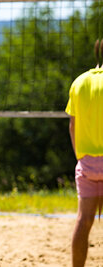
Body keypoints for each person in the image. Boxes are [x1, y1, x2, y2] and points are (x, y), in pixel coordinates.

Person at [65, 64, 103, 267]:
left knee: (84, 220)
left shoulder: (79, 82)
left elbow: (73, 125)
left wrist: (80, 156)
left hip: (86, 162)